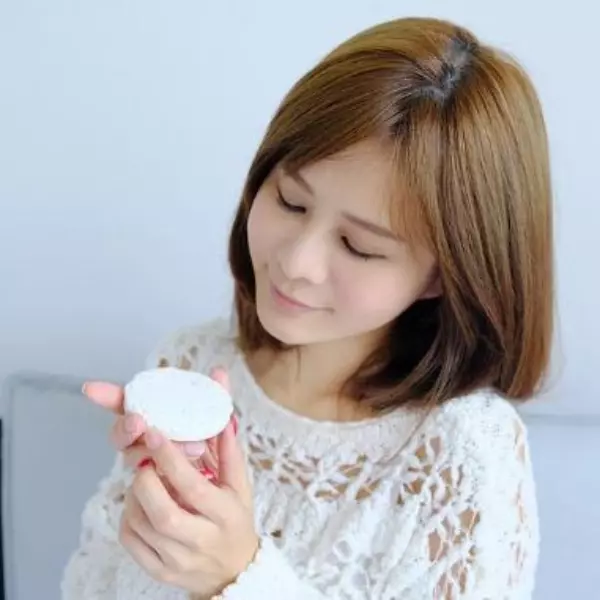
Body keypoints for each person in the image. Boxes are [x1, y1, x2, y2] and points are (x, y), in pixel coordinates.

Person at [61, 15, 554, 600]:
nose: (297, 262)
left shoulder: (462, 456)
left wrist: (236, 578)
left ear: (443, 276)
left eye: (359, 246)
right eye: (291, 202)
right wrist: (158, 509)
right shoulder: (189, 363)